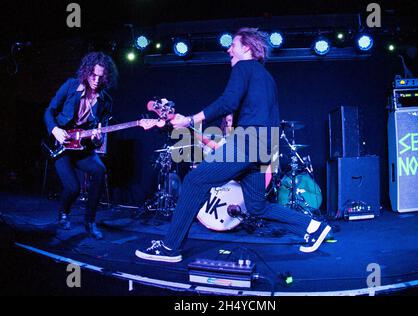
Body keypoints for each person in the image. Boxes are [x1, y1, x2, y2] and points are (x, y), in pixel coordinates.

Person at [135, 28, 331, 262]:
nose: (229, 50)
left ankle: (170, 248)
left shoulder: (243, 67)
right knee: (257, 206)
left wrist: (188, 120)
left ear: (247, 48)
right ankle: (314, 227)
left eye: (233, 46)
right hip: (265, 147)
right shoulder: (266, 77)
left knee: (195, 180)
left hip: (248, 141)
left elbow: (228, 102)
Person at [44, 52, 118, 239]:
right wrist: (54, 130)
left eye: (101, 77)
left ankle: (90, 221)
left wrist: (96, 138)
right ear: (86, 72)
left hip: (83, 147)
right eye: (93, 75)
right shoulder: (70, 86)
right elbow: (49, 110)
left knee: (100, 171)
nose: (96, 80)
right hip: (62, 144)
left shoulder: (105, 100)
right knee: (73, 188)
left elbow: (99, 134)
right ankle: (63, 212)